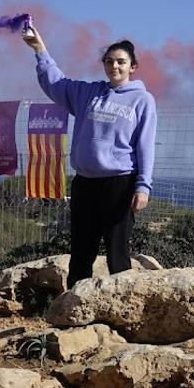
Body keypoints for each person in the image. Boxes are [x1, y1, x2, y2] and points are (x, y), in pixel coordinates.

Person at [24, 26, 157, 288]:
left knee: (117, 255)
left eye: (121, 62)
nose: (114, 66)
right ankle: (74, 307)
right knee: (81, 251)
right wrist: (40, 50)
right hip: (85, 183)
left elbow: (146, 145)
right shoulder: (88, 94)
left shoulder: (143, 100)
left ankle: (122, 311)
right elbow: (56, 83)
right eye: (109, 61)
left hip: (119, 184)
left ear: (133, 67)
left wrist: (143, 186)